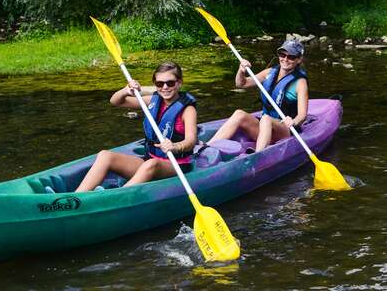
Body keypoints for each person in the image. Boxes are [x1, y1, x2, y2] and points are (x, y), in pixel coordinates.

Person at [75, 61, 197, 192]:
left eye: (170, 83)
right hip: (150, 159)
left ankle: (113, 197)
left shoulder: (187, 110)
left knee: (152, 164)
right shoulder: (152, 101)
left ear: (179, 83)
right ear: (155, 84)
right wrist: (126, 90)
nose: (165, 87)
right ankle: (77, 197)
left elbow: (191, 141)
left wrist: (175, 146)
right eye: (160, 84)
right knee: (105, 155)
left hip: (177, 165)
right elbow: (116, 101)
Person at [207, 40, 308, 152]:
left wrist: (293, 122)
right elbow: (241, 84)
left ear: (299, 59)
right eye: (282, 54)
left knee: (266, 119)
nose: (285, 59)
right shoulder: (270, 72)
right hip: (265, 127)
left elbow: (302, 115)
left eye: (291, 57)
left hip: (284, 130)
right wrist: (241, 71)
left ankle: (258, 154)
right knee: (239, 114)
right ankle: (207, 146)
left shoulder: (300, 83)